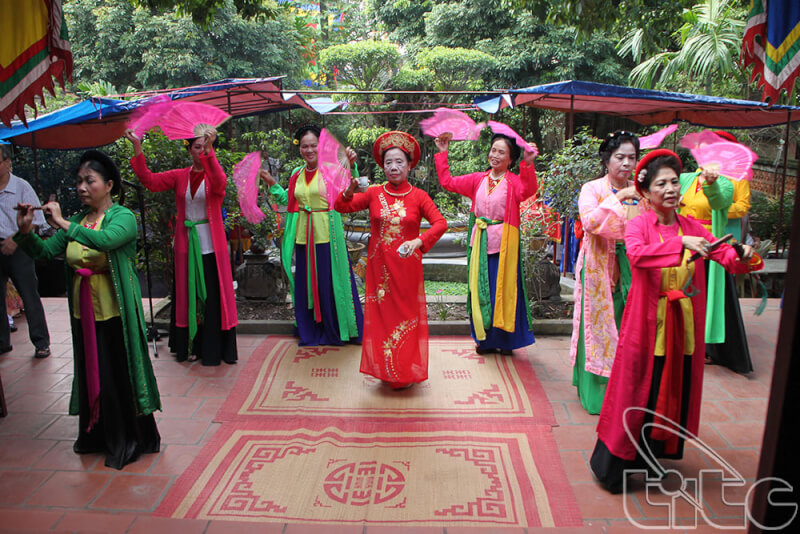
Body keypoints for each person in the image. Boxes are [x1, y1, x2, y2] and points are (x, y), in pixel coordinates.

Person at [590, 149, 755, 493]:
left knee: (668, 388)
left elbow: (722, 255)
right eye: (661, 183)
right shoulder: (638, 225)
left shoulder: (693, 226)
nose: (669, 189)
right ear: (647, 193)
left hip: (681, 325)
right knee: (638, 390)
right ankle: (613, 467)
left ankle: (652, 459)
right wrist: (681, 244)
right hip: (646, 325)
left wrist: (743, 255)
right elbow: (637, 255)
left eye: (674, 182)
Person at [14, 150, 161, 469]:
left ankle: (128, 438)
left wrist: (64, 222)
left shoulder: (122, 217)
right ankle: (97, 435)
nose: (81, 187)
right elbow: (45, 251)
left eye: (89, 181)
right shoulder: (79, 220)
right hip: (85, 312)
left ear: (108, 185)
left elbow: (106, 241)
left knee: (116, 376)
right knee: (92, 374)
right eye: (79, 181)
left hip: (114, 313)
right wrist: (26, 233)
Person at [334, 131, 447, 389]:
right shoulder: (373, 193)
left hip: (407, 269)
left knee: (406, 317)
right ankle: (386, 370)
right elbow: (341, 207)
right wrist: (350, 188)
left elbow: (441, 223)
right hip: (379, 268)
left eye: (399, 162)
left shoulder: (419, 196)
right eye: (388, 163)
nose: (393, 167)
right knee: (383, 317)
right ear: (382, 166)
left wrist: (418, 241)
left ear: (409, 165)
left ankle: (404, 370)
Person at [125, 128, 237, 366]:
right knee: (189, 296)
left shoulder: (214, 173)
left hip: (211, 246)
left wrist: (210, 151)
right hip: (186, 245)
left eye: (204, 146)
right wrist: (137, 147)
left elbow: (219, 183)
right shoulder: (179, 175)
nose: (200, 151)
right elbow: (150, 181)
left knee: (212, 297)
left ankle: (213, 347)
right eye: (196, 147)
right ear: (188, 150)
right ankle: (190, 346)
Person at [434, 132, 538, 355]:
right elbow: (448, 182)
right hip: (480, 243)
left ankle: (506, 341)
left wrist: (528, 165)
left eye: (502, 152)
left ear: (510, 159)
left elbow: (528, 191)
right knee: (480, 292)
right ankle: (484, 339)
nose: (495, 155)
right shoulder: (477, 180)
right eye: (493, 150)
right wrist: (443, 153)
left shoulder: (513, 181)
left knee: (502, 292)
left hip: (504, 246)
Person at [259, 124, 363, 346]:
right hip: (303, 236)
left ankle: (336, 328)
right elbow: (289, 200)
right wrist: (271, 183)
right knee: (307, 285)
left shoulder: (332, 169)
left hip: (327, 236)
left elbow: (351, 188)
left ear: (321, 146)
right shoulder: (297, 173)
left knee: (328, 283)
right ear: (299, 149)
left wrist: (352, 166)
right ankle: (310, 329)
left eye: (313, 145)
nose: (309, 150)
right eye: (304, 146)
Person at [570, 131, 644, 415]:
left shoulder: (642, 191)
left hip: (630, 265)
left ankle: (624, 392)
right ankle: (596, 395)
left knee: (626, 325)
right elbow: (589, 222)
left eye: (631, 158)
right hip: (598, 264)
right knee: (597, 324)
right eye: (620, 157)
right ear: (607, 160)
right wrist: (619, 198)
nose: (626, 163)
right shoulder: (592, 188)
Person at [677, 132, 752, 373]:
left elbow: (735, 205)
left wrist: (715, 209)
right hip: (684, 241)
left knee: (711, 295)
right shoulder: (687, 178)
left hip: (713, 242)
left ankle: (712, 347)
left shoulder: (730, 181)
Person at [0, 143, 51, 358]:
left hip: (19, 247)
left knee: (29, 295)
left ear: (7, 163)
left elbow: (36, 222)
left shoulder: (21, 187)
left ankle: (41, 342)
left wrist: (17, 239)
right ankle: (2, 343)